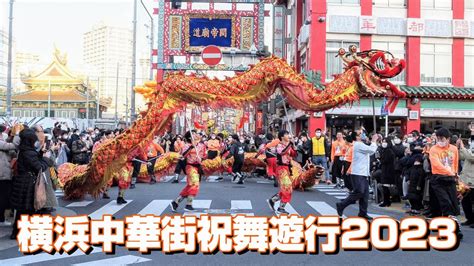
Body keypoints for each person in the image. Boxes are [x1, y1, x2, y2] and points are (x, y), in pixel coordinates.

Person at [10, 128, 50, 239]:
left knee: (22, 210)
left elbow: (34, 161)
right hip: (28, 183)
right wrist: (46, 159)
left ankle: (16, 233)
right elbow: (39, 167)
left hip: (22, 181)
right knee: (30, 209)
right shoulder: (29, 152)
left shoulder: (23, 150)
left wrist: (41, 153)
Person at [336, 130, 379, 220]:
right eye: (360, 134)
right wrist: (374, 140)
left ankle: (363, 212)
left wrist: (372, 142)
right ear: (356, 137)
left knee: (365, 194)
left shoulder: (361, 144)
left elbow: (370, 151)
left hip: (363, 172)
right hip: (358, 172)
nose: (363, 134)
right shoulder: (358, 144)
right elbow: (371, 150)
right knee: (359, 192)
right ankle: (342, 204)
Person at [429, 127, 462, 239]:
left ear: (448, 139)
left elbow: (456, 163)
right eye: (438, 138)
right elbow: (436, 164)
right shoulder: (433, 149)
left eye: (441, 138)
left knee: (453, 204)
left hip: (451, 179)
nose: (439, 141)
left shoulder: (454, 149)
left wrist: (456, 174)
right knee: (445, 203)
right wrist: (450, 172)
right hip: (438, 179)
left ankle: (454, 228)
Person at [169, 131, 205, 212]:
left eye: (196, 134)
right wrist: (191, 147)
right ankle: (189, 205)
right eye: (194, 134)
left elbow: (204, 155)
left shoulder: (201, 145)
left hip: (197, 167)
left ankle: (176, 202)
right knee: (195, 184)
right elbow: (183, 155)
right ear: (190, 137)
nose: (196, 135)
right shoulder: (186, 146)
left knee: (190, 186)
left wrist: (202, 159)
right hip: (190, 167)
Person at [267, 130, 297, 215]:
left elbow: (294, 155)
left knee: (287, 188)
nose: (288, 136)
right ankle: (281, 207)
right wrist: (290, 144)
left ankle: (273, 200)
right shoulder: (279, 145)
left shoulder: (288, 145)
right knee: (287, 188)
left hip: (287, 168)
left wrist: (294, 146)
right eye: (286, 134)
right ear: (282, 137)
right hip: (281, 169)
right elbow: (282, 152)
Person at [0, 124, 21, 226]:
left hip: (3, 174)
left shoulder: (2, 142)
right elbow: (13, 146)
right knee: (3, 197)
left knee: (4, 197)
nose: (2, 134)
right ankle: (1, 219)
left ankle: (1, 218)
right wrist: (16, 134)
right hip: (2, 175)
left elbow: (11, 152)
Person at [458, 125, 474, 227]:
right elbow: (463, 156)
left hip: (472, 179)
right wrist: (459, 147)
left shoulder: (469, 149)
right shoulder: (470, 148)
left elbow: (471, 157)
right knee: (465, 200)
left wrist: (463, 147)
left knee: (473, 201)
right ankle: (469, 218)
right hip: (465, 178)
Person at [378, 136, 396, 207]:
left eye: (385, 141)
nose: (384, 143)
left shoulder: (389, 151)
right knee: (385, 187)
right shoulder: (385, 150)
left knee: (385, 187)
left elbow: (385, 160)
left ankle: (386, 201)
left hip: (388, 171)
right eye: (383, 141)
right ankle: (387, 201)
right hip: (385, 170)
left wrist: (380, 159)